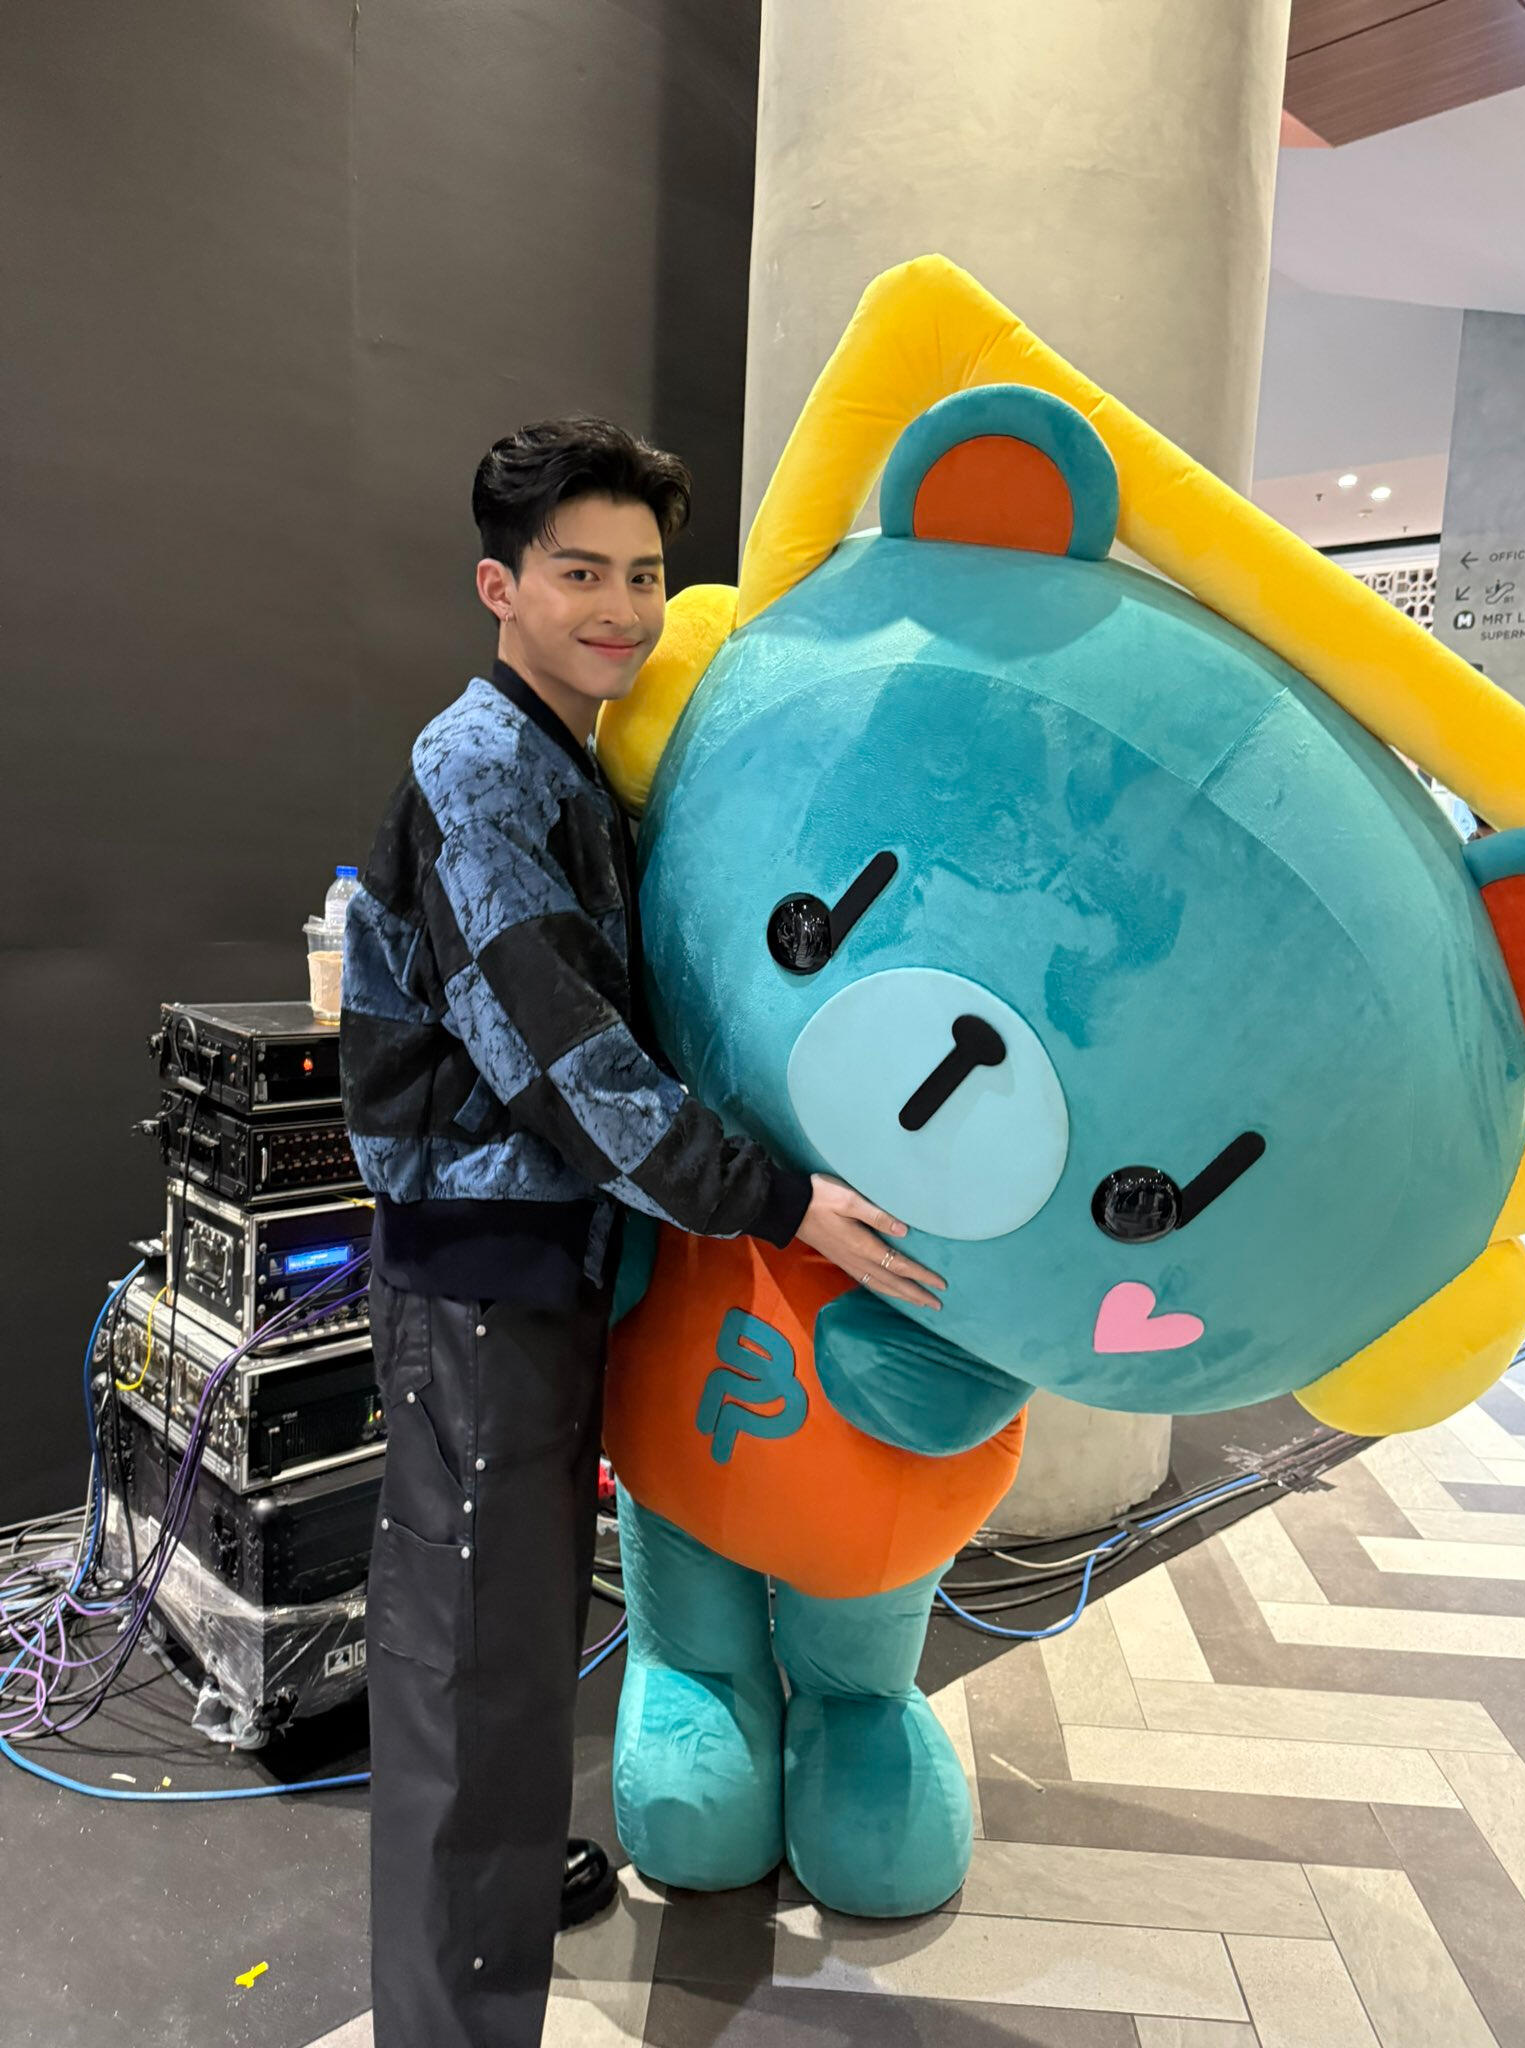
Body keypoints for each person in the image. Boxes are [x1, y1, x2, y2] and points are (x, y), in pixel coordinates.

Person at [339, 417, 945, 2048]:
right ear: (501, 588)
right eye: (581, 574)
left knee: (516, 1638)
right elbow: (570, 1067)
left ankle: (489, 1914)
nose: (621, 609)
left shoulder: (570, 761)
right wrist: (782, 1199)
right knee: (473, 1664)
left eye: (644, 575)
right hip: (483, 1278)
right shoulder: (482, 773)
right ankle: (452, 2017)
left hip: (550, 1267)